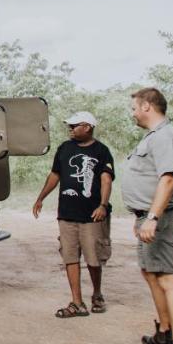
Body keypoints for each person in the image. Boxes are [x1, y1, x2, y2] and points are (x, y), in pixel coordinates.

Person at [124, 87, 173, 344]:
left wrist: (152, 217)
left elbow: (167, 179)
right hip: (148, 217)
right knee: (151, 273)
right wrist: (141, 215)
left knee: (167, 279)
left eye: (134, 107)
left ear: (147, 106)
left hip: (162, 219)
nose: (132, 112)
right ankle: (164, 332)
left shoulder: (166, 137)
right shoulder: (154, 137)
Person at [32, 111, 115, 318]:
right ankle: (77, 302)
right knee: (70, 257)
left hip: (91, 215)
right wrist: (41, 197)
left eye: (74, 125)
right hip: (67, 214)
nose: (70, 129)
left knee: (93, 258)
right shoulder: (65, 148)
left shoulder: (101, 151)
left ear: (87, 127)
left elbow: (106, 180)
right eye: (69, 126)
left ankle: (96, 293)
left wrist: (103, 205)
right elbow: (55, 175)